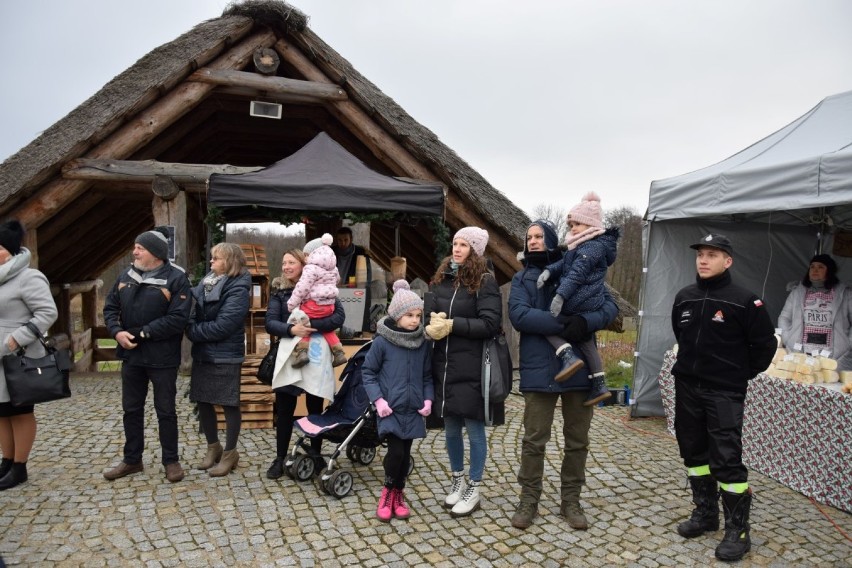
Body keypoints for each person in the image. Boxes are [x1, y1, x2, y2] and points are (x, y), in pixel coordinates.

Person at [670, 233, 776, 562]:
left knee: (726, 458)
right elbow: (681, 334)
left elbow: (765, 345)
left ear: (727, 261)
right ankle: (705, 514)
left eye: (712, 254)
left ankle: (738, 531)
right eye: (700, 254)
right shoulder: (684, 297)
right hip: (687, 386)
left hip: (724, 391)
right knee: (694, 452)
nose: (703, 259)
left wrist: (738, 374)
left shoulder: (745, 301)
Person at [507, 219, 618, 530]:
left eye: (540, 236)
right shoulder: (522, 278)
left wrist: (585, 322)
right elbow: (519, 315)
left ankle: (571, 500)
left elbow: (610, 309)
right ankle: (529, 499)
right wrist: (565, 324)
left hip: (580, 370)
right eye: (529, 236)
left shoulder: (579, 266)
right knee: (533, 440)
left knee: (577, 441)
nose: (533, 241)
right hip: (540, 369)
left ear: (553, 239)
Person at [102, 228, 192, 483]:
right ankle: (132, 460)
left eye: (140, 248)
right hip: (131, 358)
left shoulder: (176, 279)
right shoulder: (125, 276)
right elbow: (110, 308)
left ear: (155, 253)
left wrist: (141, 335)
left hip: (162, 358)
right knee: (131, 409)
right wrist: (117, 332)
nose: (135, 251)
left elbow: (177, 319)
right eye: (135, 247)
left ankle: (171, 461)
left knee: (165, 410)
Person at [424, 226, 501, 518]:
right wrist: (432, 320)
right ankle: (457, 480)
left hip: (472, 365)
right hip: (444, 364)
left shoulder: (484, 281)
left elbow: (490, 324)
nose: (456, 249)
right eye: (455, 243)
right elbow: (430, 310)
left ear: (475, 250)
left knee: (474, 428)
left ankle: (474, 486)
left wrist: (454, 325)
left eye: (464, 245)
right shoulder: (443, 278)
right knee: (451, 427)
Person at [264, 244, 346, 480]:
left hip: (317, 355)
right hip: (290, 354)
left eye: (291, 262)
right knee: (285, 409)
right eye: (284, 263)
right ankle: (280, 457)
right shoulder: (280, 291)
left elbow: (338, 316)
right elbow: (270, 322)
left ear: (304, 264)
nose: (286, 267)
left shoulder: (323, 287)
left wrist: (311, 328)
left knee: (314, 407)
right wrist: (292, 329)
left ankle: (316, 454)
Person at [537, 192, 620, 405]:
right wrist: (549, 271)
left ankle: (567, 355)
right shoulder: (583, 246)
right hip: (589, 301)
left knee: (548, 324)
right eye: (571, 224)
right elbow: (565, 263)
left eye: (578, 224)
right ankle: (600, 385)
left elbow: (576, 274)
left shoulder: (591, 247)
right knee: (585, 340)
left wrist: (560, 295)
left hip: (581, 298)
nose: (573, 228)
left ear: (591, 225)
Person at [361, 280, 433, 522]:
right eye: (409, 315)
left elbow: (426, 376)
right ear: (397, 316)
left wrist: (428, 399)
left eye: (418, 315)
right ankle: (387, 492)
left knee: (406, 454)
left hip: (413, 409)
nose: (415, 320)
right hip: (389, 409)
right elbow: (368, 373)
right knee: (396, 453)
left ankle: (399, 493)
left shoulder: (421, 343)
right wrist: (379, 401)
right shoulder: (383, 342)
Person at [0, 220, 59, 490]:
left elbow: (47, 313)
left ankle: (20, 467)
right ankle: (7, 461)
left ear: (8, 250)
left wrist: (14, 340)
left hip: (17, 356)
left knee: (20, 410)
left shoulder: (29, 277)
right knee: (1, 412)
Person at [185, 243, 251, 477]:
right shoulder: (207, 283)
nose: (211, 262)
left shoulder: (239, 288)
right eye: (211, 258)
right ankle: (213, 447)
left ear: (230, 261)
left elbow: (224, 325)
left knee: (228, 403)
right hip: (204, 353)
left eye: (216, 258)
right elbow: (193, 313)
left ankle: (230, 453)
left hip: (226, 355)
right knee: (203, 400)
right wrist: (193, 326)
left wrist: (193, 332)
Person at [778, 253, 852, 368]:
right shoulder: (797, 292)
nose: (815, 270)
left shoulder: (845, 294)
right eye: (812, 266)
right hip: (801, 352)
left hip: (834, 356)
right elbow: (784, 318)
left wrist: (848, 343)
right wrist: (788, 338)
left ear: (830, 271)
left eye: (820, 267)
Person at [286, 233, 347, 368]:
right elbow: (337, 280)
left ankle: (301, 353)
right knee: (327, 330)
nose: (306, 259)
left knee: (304, 323)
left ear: (314, 253)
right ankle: (339, 353)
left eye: (306, 255)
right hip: (329, 306)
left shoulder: (311, 268)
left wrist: (291, 304)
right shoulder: (333, 268)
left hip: (314, 305)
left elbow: (302, 288)